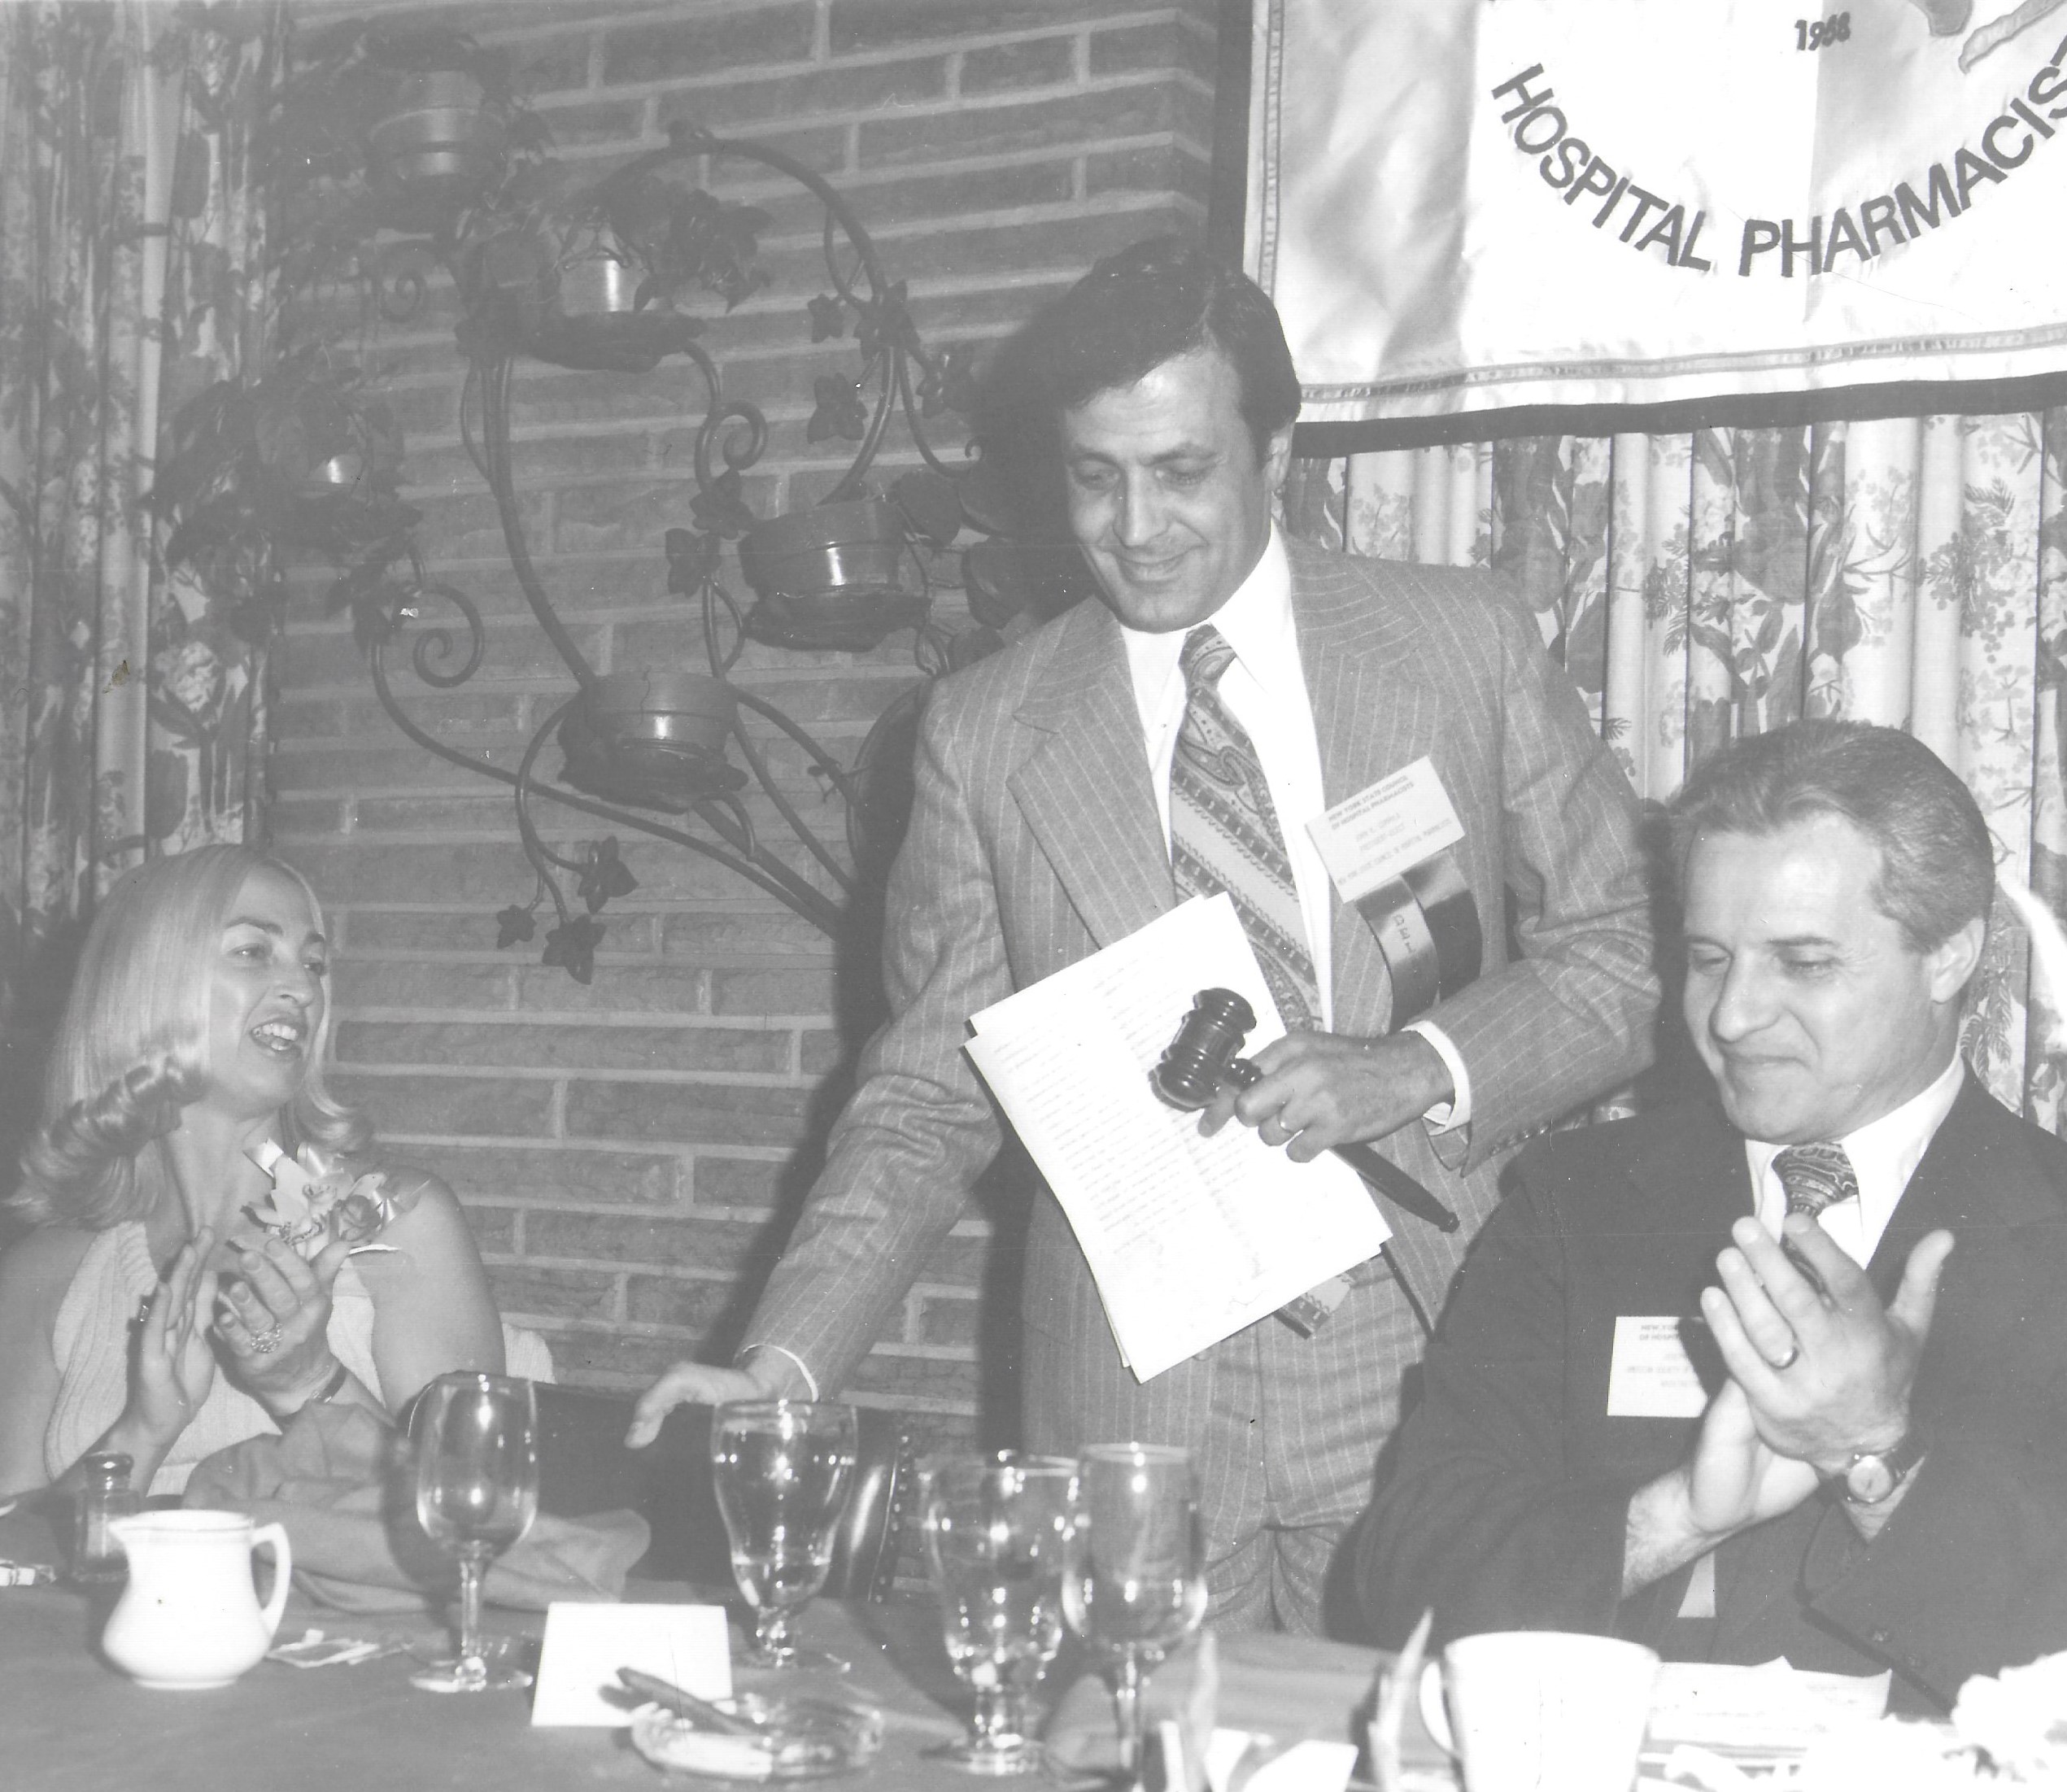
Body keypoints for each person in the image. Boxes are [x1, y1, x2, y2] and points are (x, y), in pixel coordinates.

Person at [630, 237, 1658, 1633]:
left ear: (1274, 450)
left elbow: (1620, 957)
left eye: (1180, 471)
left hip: (1421, 1344)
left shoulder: (1454, 649)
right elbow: (928, 1092)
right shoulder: (988, 727)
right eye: (1093, 478)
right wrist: (785, 1363)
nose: (1135, 526)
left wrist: (1414, 1061)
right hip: (1128, 1391)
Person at [1354, 719, 2067, 1710]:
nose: (1730, 1016)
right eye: (1710, 957)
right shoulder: (1574, 1200)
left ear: (1949, 957)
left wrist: (1879, 1455)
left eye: (1802, 962)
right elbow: (1399, 1580)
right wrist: (1674, 1516)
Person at [0, 844, 525, 1498]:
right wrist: (144, 1428)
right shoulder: (45, 1271)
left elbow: (478, 1521)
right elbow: (13, 1566)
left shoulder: (395, 1224)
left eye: (314, 962)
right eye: (253, 951)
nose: (304, 988)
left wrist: (306, 1382)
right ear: (146, 982)